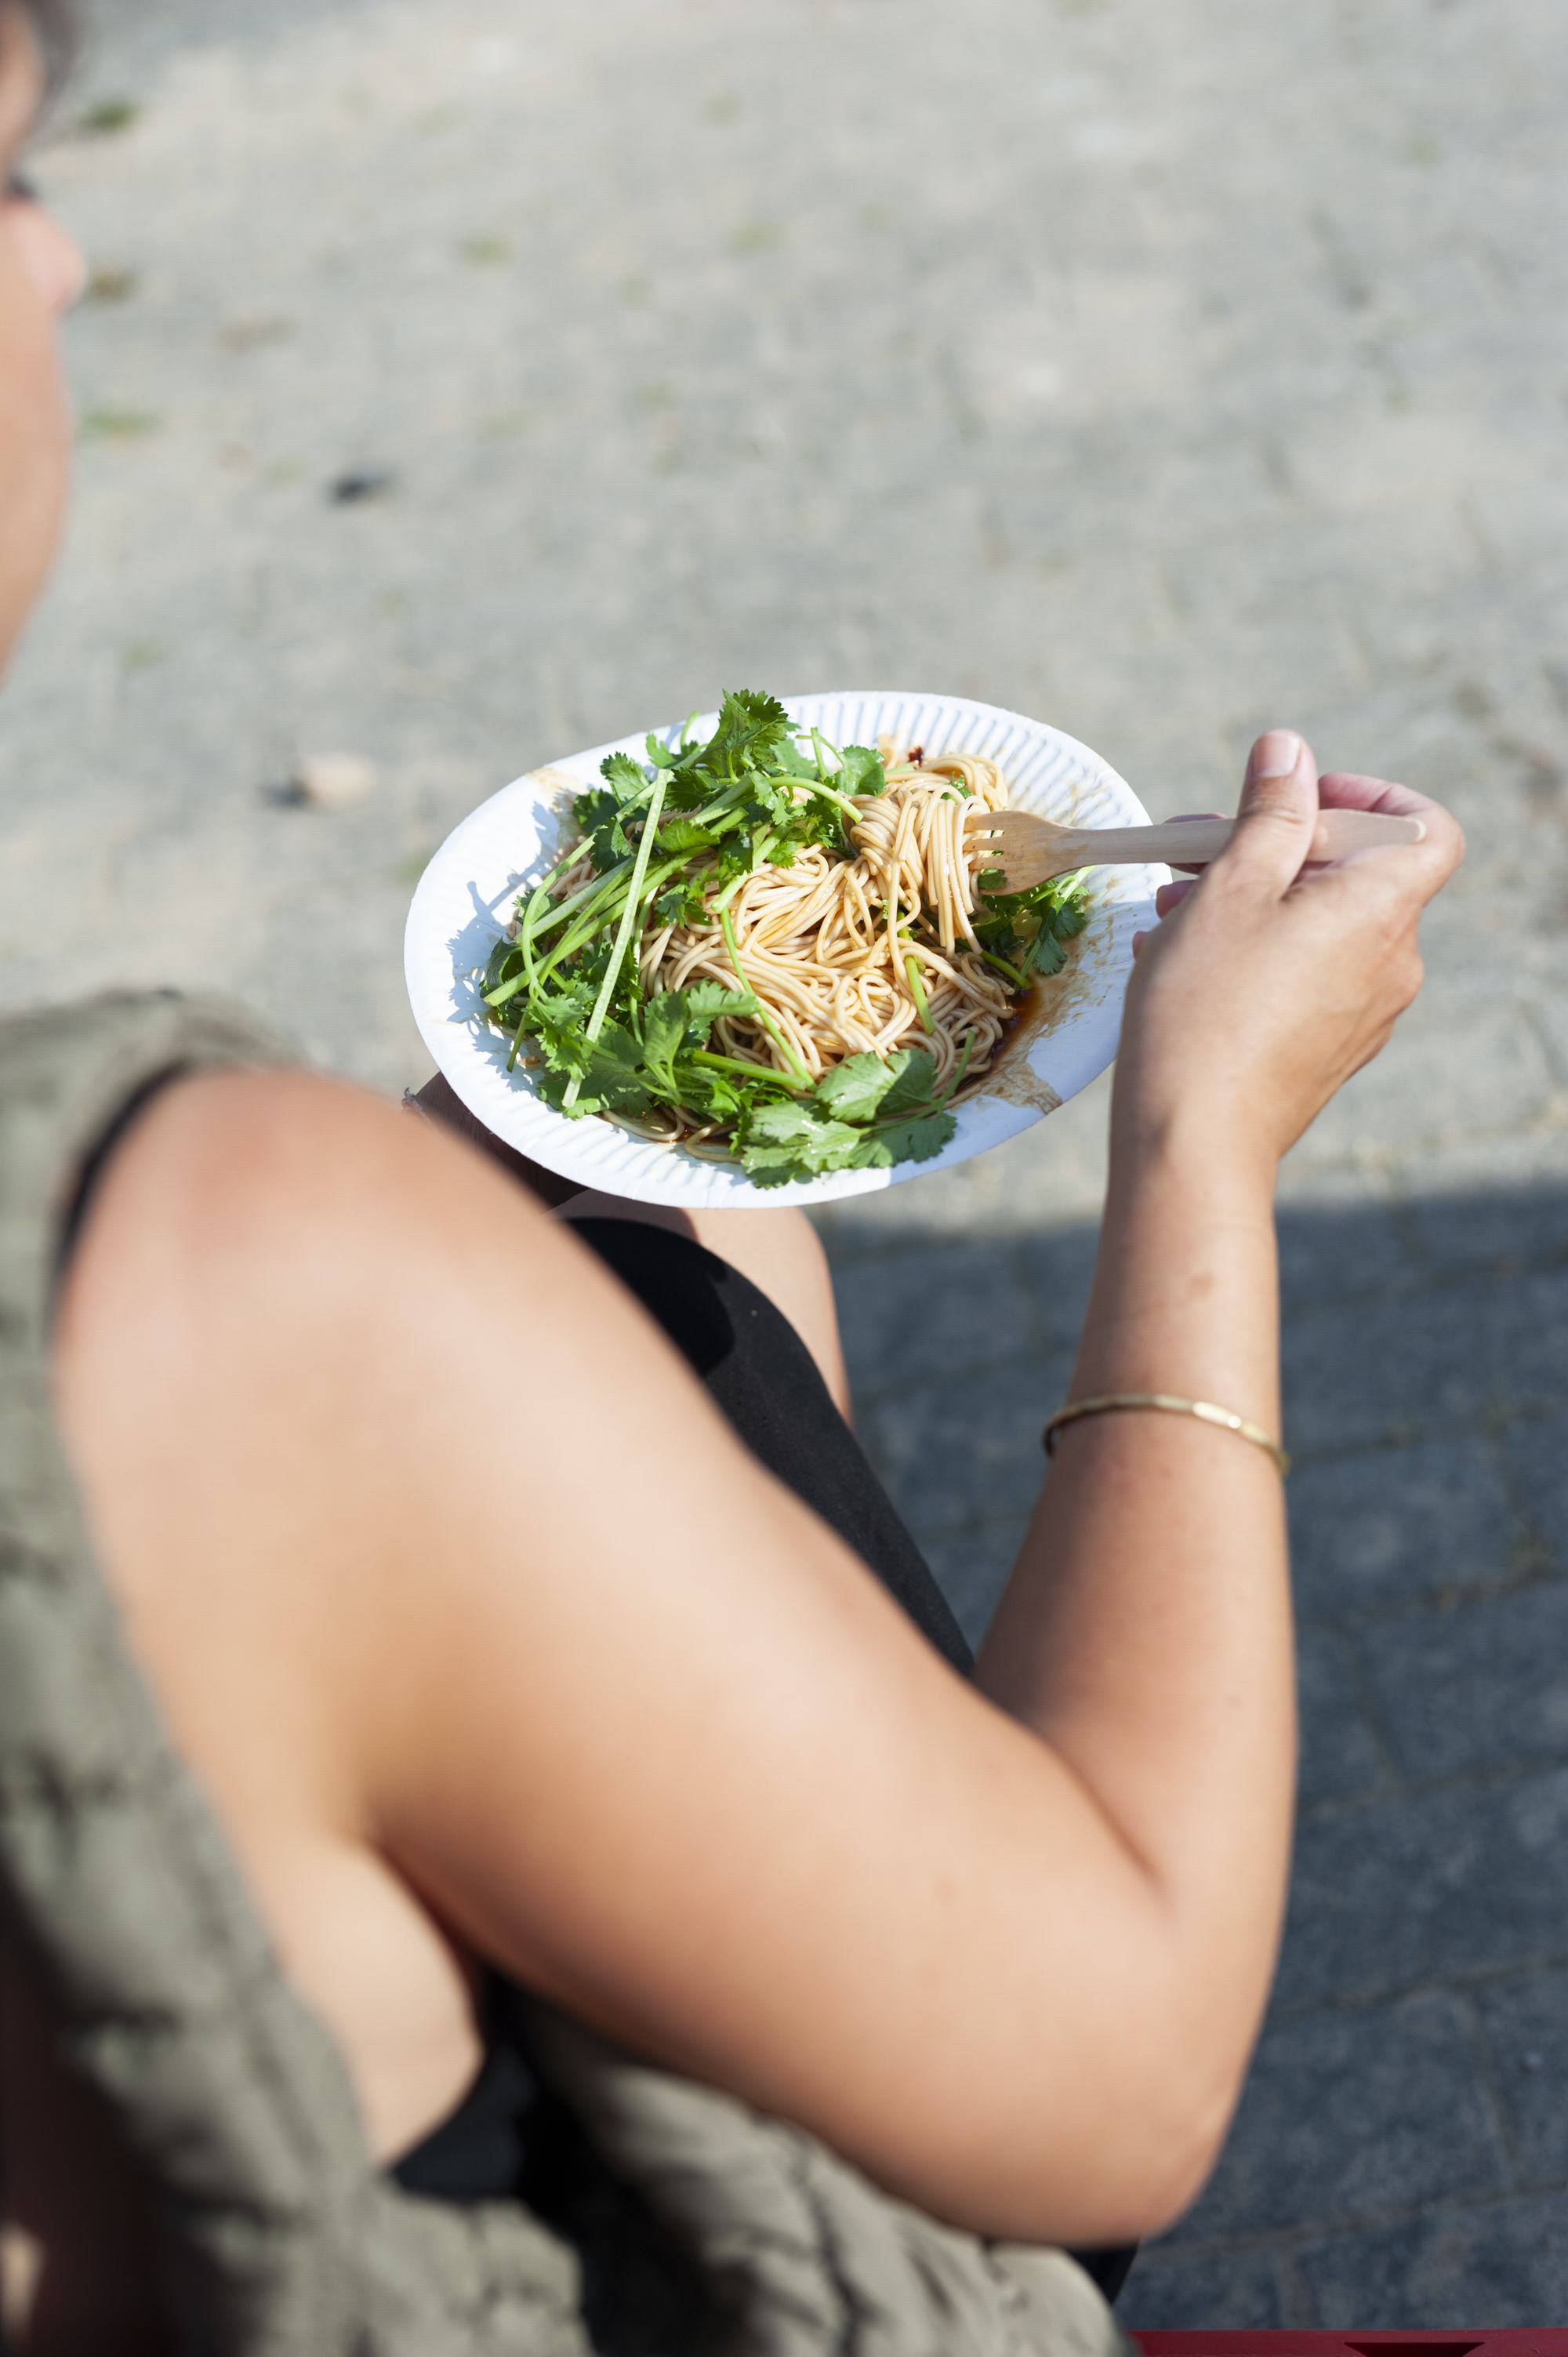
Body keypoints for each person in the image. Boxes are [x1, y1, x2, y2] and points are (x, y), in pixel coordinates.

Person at [0, 2, 1465, 2348]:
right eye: (4, 181)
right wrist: (1203, 1148)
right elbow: (1131, 2078)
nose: (64, 266)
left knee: (643, 1214)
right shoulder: (221, 1267)